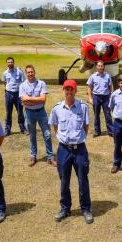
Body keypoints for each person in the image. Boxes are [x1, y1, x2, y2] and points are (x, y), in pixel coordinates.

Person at [49, 79, 93, 224]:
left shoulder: (83, 107)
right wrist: (64, 139)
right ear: (63, 91)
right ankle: (65, 208)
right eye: (66, 89)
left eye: (71, 89)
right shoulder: (57, 108)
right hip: (63, 150)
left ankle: (86, 209)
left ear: (75, 91)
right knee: (64, 180)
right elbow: (54, 126)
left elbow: (85, 127)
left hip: (79, 149)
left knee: (83, 180)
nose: (69, 92)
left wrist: (78, 139)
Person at [19, 64, 55, 167]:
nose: (30, 74)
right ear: (26, 74)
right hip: (29, 113)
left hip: (41, 112)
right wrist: (37, 99)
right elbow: (24, 101)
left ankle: (50, 157)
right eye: (28, 72)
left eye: (32, 72)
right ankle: (33, 156)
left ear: (34, 72)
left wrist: (29, 99)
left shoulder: (41, 83)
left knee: (47, 134)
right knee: (32, 136)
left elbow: (43, 99)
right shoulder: (22, 86)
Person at [86, 61, 114, 137]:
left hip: (106, 97)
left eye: (101, 66)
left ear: (103, 67)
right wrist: (90, 98)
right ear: (96, 67)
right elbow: (89, 87)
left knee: (108, 114)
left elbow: (111, 86)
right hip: (96, 97)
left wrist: (112, 96)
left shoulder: (107, 76)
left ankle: (111, 131)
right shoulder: (93, 76)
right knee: (96, 115)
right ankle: (97, 131)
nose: (100, 67)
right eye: (99, 66)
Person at [1, 57, 27, 136]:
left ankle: (22, 128)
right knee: (8, 112)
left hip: (18, 94)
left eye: (11, 62)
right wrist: (7, 90)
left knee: (20, 112)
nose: (10, 63)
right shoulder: (5, 73)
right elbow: (5, 83)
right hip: (8, 94)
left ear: (14, 62)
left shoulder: (19, 71)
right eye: (8, 62)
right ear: (6, 63)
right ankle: (7, 130)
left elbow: (23, 82)